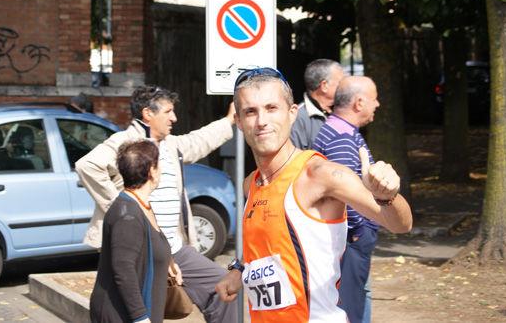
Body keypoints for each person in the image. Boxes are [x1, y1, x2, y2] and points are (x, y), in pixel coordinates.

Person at [215, 68, 412, 322]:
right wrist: (239, 269)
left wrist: (388, 195)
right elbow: (268, 246)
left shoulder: (321, 174)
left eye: (272, 108)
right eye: (250, 112)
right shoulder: (249, 184)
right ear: (239, 122)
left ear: (292, 113)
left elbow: (401, 224)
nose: (261, 120)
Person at [76, 85, 237, 323]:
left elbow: (199, 140)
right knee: (142, 310)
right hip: (140, 251)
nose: (174, 117)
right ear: (147, 114)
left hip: (173, 248)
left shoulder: (170, 145)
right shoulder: (125, 143)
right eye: (168, 111)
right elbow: (87, 166)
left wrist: (228, 121)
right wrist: (122, 207)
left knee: (223, 287)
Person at [312, 76, 381, 323]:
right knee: (350, 308)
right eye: (374, 99)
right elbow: (345, 192)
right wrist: (360, 230)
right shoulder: (341, 137)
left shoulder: (338, 129)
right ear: (359, 102)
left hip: (351, 237)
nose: (378, 104)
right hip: (351, 238)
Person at [90, 140, 179, 323]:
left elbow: (151, 243)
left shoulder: (141, 205)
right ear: (152, 171)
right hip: (121, 315)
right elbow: (123, 269)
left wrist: (168, 263)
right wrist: (140, 317)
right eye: (158, 164)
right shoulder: (127, 215)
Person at [290, 59, 344, 150]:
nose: (344, 87)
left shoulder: (340, 112)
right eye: (341, 83)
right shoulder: (296, 118)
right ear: (324, 85)